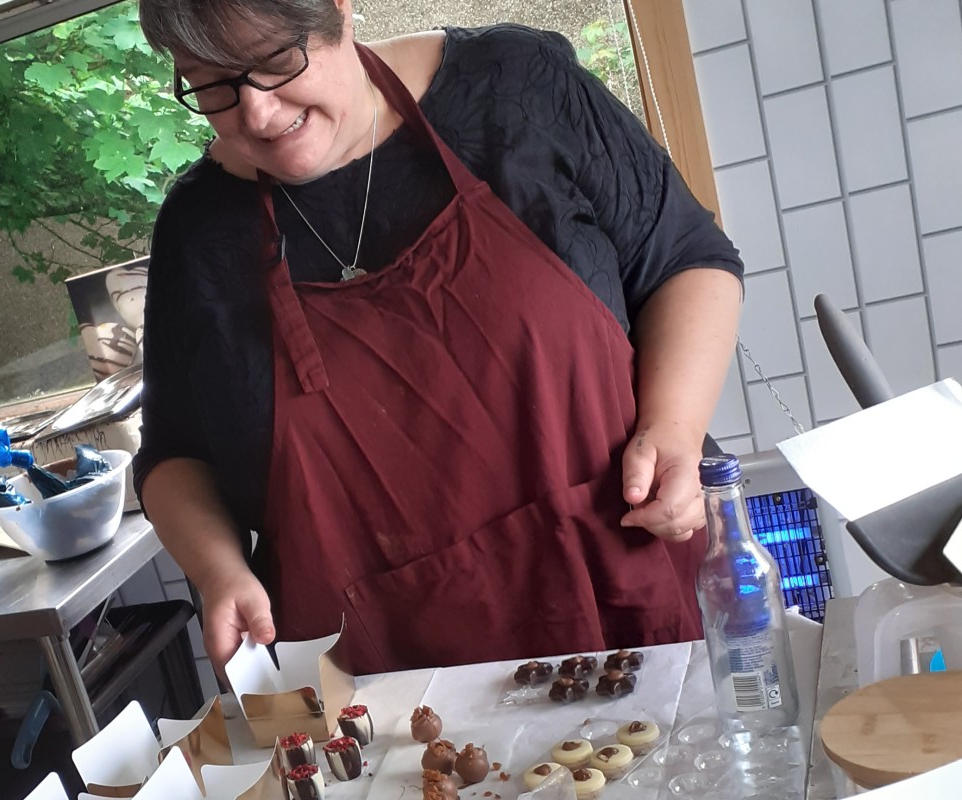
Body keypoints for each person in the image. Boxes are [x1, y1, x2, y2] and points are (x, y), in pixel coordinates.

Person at [133, 0, 745, 677]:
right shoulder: (199, 231)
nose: (257, 113)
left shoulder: (513, 88)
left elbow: (686, 259)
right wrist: (220, 572)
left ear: (339, 9)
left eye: (277, 61)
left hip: (634, 603)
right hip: (383, 690)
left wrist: (675, 429)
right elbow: (173, 454)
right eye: (212, 85)